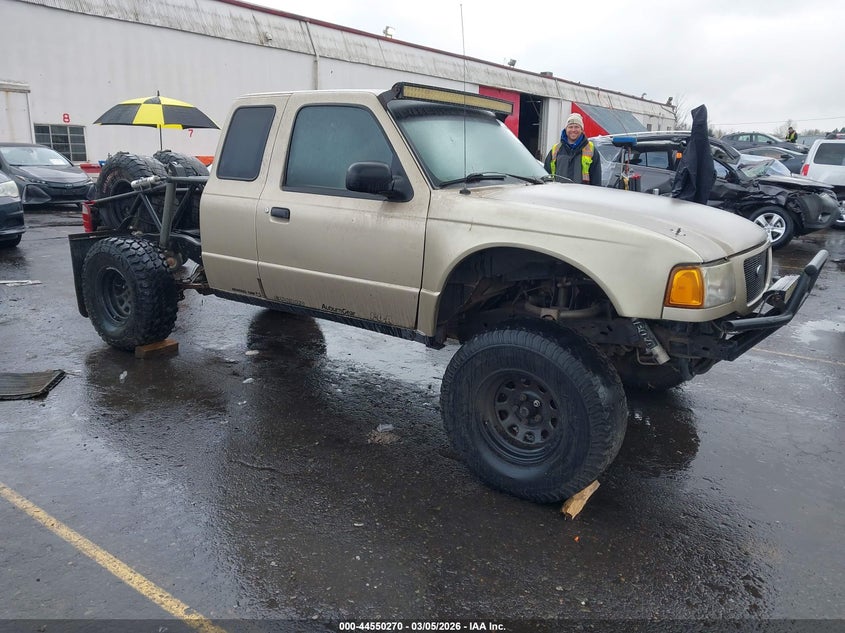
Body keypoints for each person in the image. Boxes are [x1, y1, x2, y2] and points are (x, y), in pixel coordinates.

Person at [544, 113, 601, 185]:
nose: (573, 130)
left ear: (582, 130)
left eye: (576, 127)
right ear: (566, 129)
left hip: (581, 194)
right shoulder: (555, 150)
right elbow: (546, 174)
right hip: (558, 194)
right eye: (570, 127)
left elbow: (596, 179)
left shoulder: (591, 150)